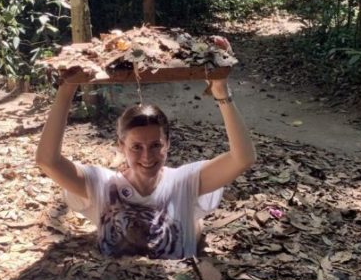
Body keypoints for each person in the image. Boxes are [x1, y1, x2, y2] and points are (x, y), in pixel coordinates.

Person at [35, 77, 256, 259]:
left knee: (193, 223)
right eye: (136, 147)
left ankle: (195, 225)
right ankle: (195, 225)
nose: (147, 156)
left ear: (168, 144)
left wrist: (221, 91)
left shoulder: (184, 181)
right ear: (120, 146)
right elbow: (48, 162)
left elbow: (242, 158)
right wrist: (66, 90)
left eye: (156, 145)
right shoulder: (103, 184)